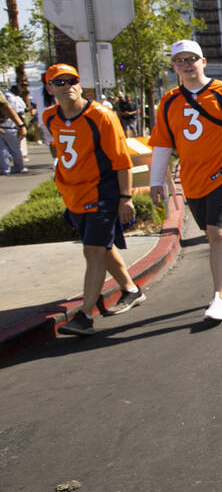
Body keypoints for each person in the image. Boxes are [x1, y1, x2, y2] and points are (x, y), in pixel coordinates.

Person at [42, 64, 147, 336]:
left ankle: (85, 315)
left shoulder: (101, 116)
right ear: (49, 88)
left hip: (102, 193)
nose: (67, 86)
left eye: (72, 80)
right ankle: (131, 289)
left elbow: (122, 162)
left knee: (92, 251)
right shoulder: (49, 117)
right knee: (102, 247)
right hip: (73, 195)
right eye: (59, 82)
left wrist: (126, 198)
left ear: (80, 83)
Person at [149, 40, 222, 323]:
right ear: (173, 67)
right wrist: (156, 181)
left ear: (203, 61)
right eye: (181, 60)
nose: (187, 64)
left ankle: (219, 297)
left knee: (218, 234)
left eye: (192, 58)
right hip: (191, 179)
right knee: (212, 235)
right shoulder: (169, 101)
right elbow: (162, 143)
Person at [0, 86, 26, 174]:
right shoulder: (15, 99)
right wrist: (21, 125)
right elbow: (16, 112)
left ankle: (4, 169)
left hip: (3, 127)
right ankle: (19, 167)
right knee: (15, 150)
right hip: (10, 127)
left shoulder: (5, 95)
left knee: (2, 150)